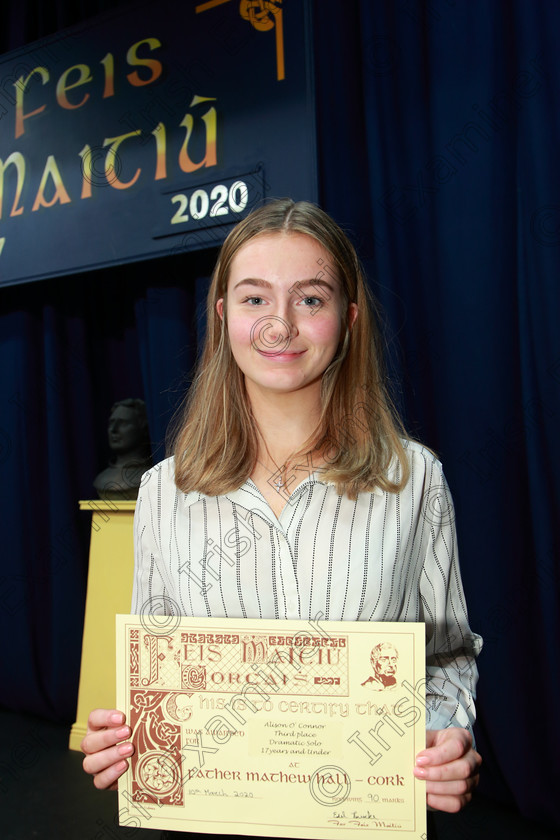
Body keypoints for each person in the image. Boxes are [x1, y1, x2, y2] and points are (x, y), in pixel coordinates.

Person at [82, 198, 482, 817]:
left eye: (311, 299)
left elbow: (447, 656)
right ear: (222, 317)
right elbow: (157, 673)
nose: (280, 324)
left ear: (348, 319)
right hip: (209, 828)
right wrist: (129, 740)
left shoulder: (414, 478)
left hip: (366, 823)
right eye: (254, 298)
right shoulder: (164, 490)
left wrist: (447, 737)